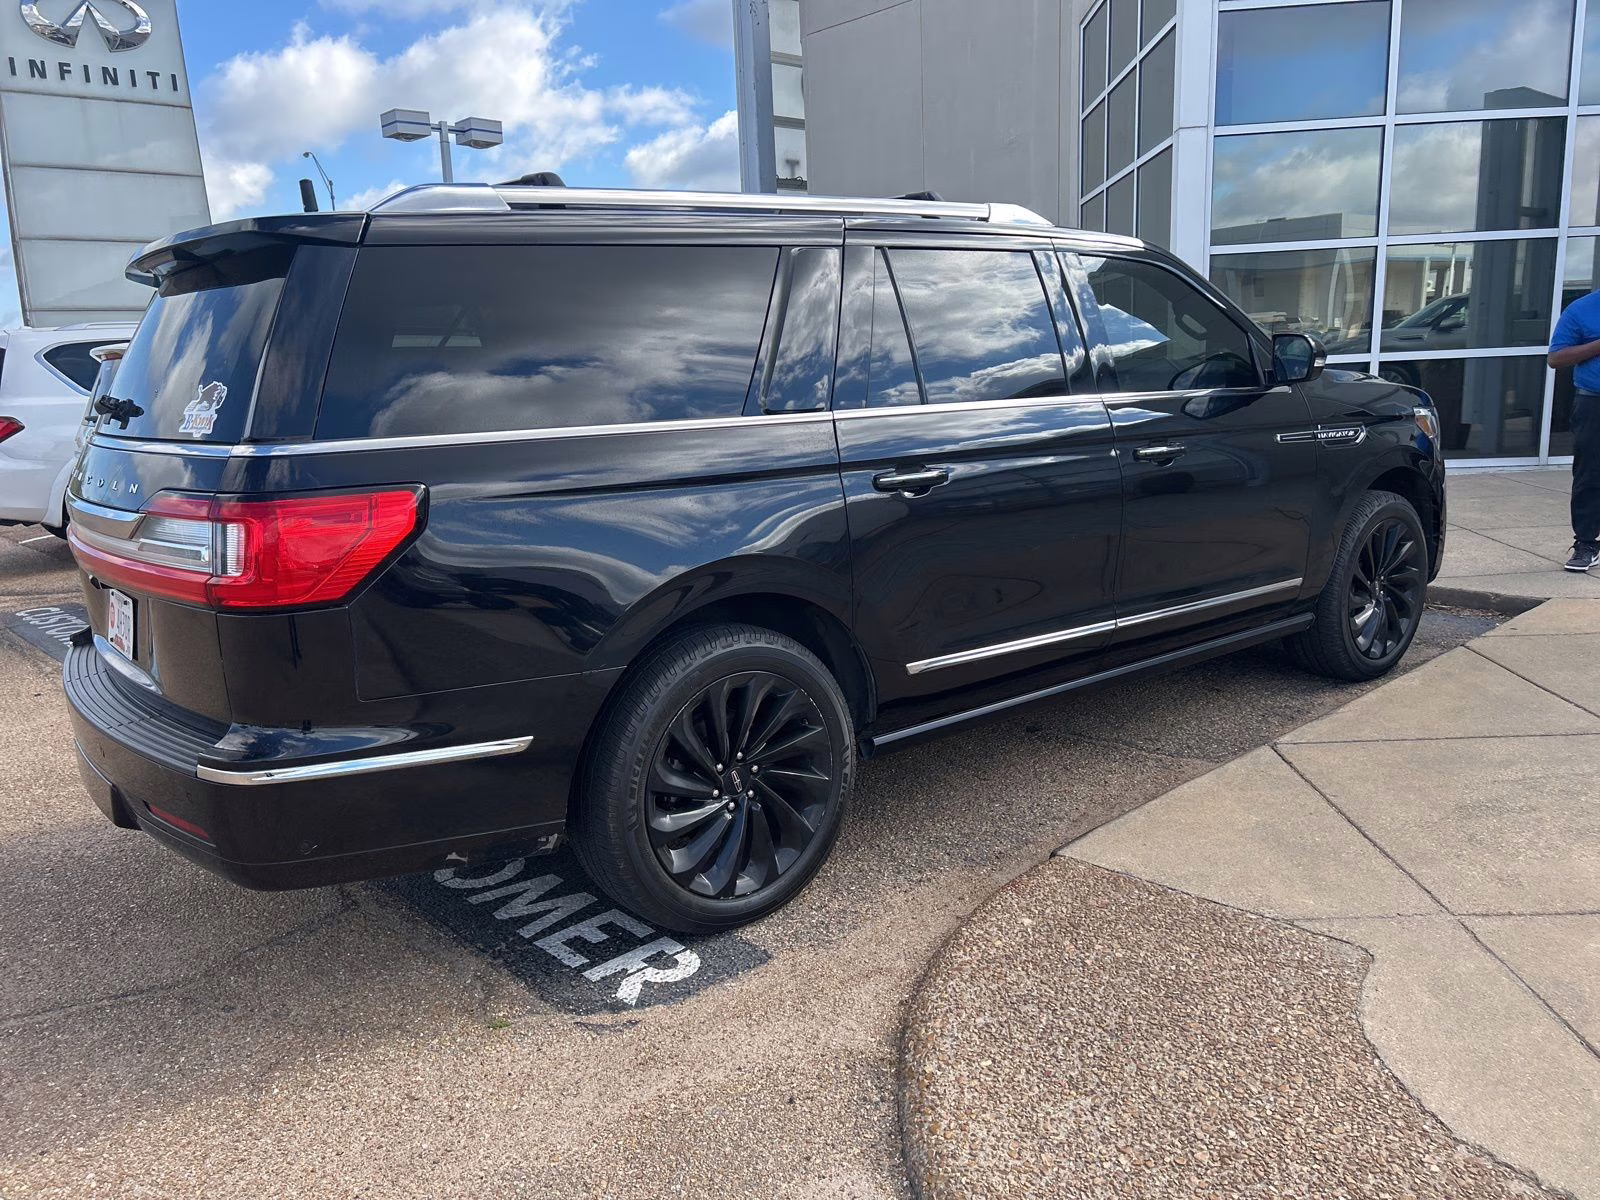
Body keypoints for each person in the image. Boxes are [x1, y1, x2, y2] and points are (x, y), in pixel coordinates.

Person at [1547, 294, 1600, 571]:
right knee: (1589, 473)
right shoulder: (1582, 309)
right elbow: (1556, 358)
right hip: (1593, 401)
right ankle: (1587, 544)